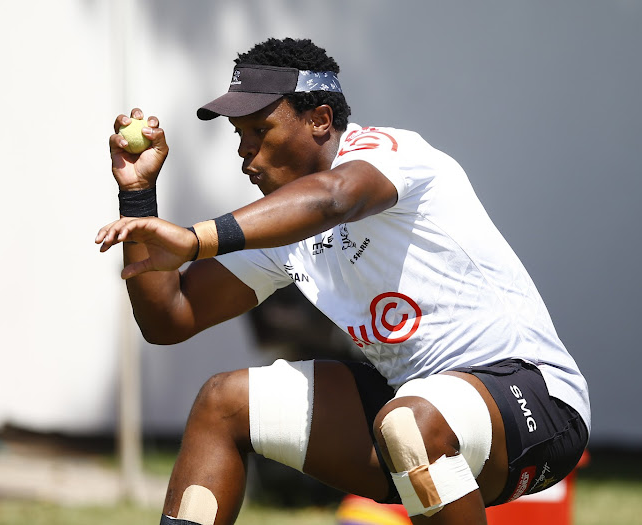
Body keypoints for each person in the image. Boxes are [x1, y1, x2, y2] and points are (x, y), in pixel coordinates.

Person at [97, 37, 590, 525]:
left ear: (320, 120)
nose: (245, 153)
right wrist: (138, 194)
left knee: (409, 424)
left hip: (536, 400)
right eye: (238, 134)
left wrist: (198, 238)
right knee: (221, 404)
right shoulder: (281, 227)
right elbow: (169, 317)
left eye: (260, 130)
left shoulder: (387, 151)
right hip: (413, 407)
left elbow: (335, 198)